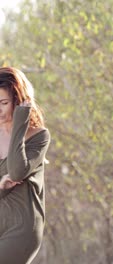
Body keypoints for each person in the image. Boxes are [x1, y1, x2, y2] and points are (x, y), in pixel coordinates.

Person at [0, 66, 50, 264]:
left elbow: (17, 171)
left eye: (3, 103)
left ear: (18, 101)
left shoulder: (39, 136)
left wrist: (19, 123)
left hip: (22, 228)